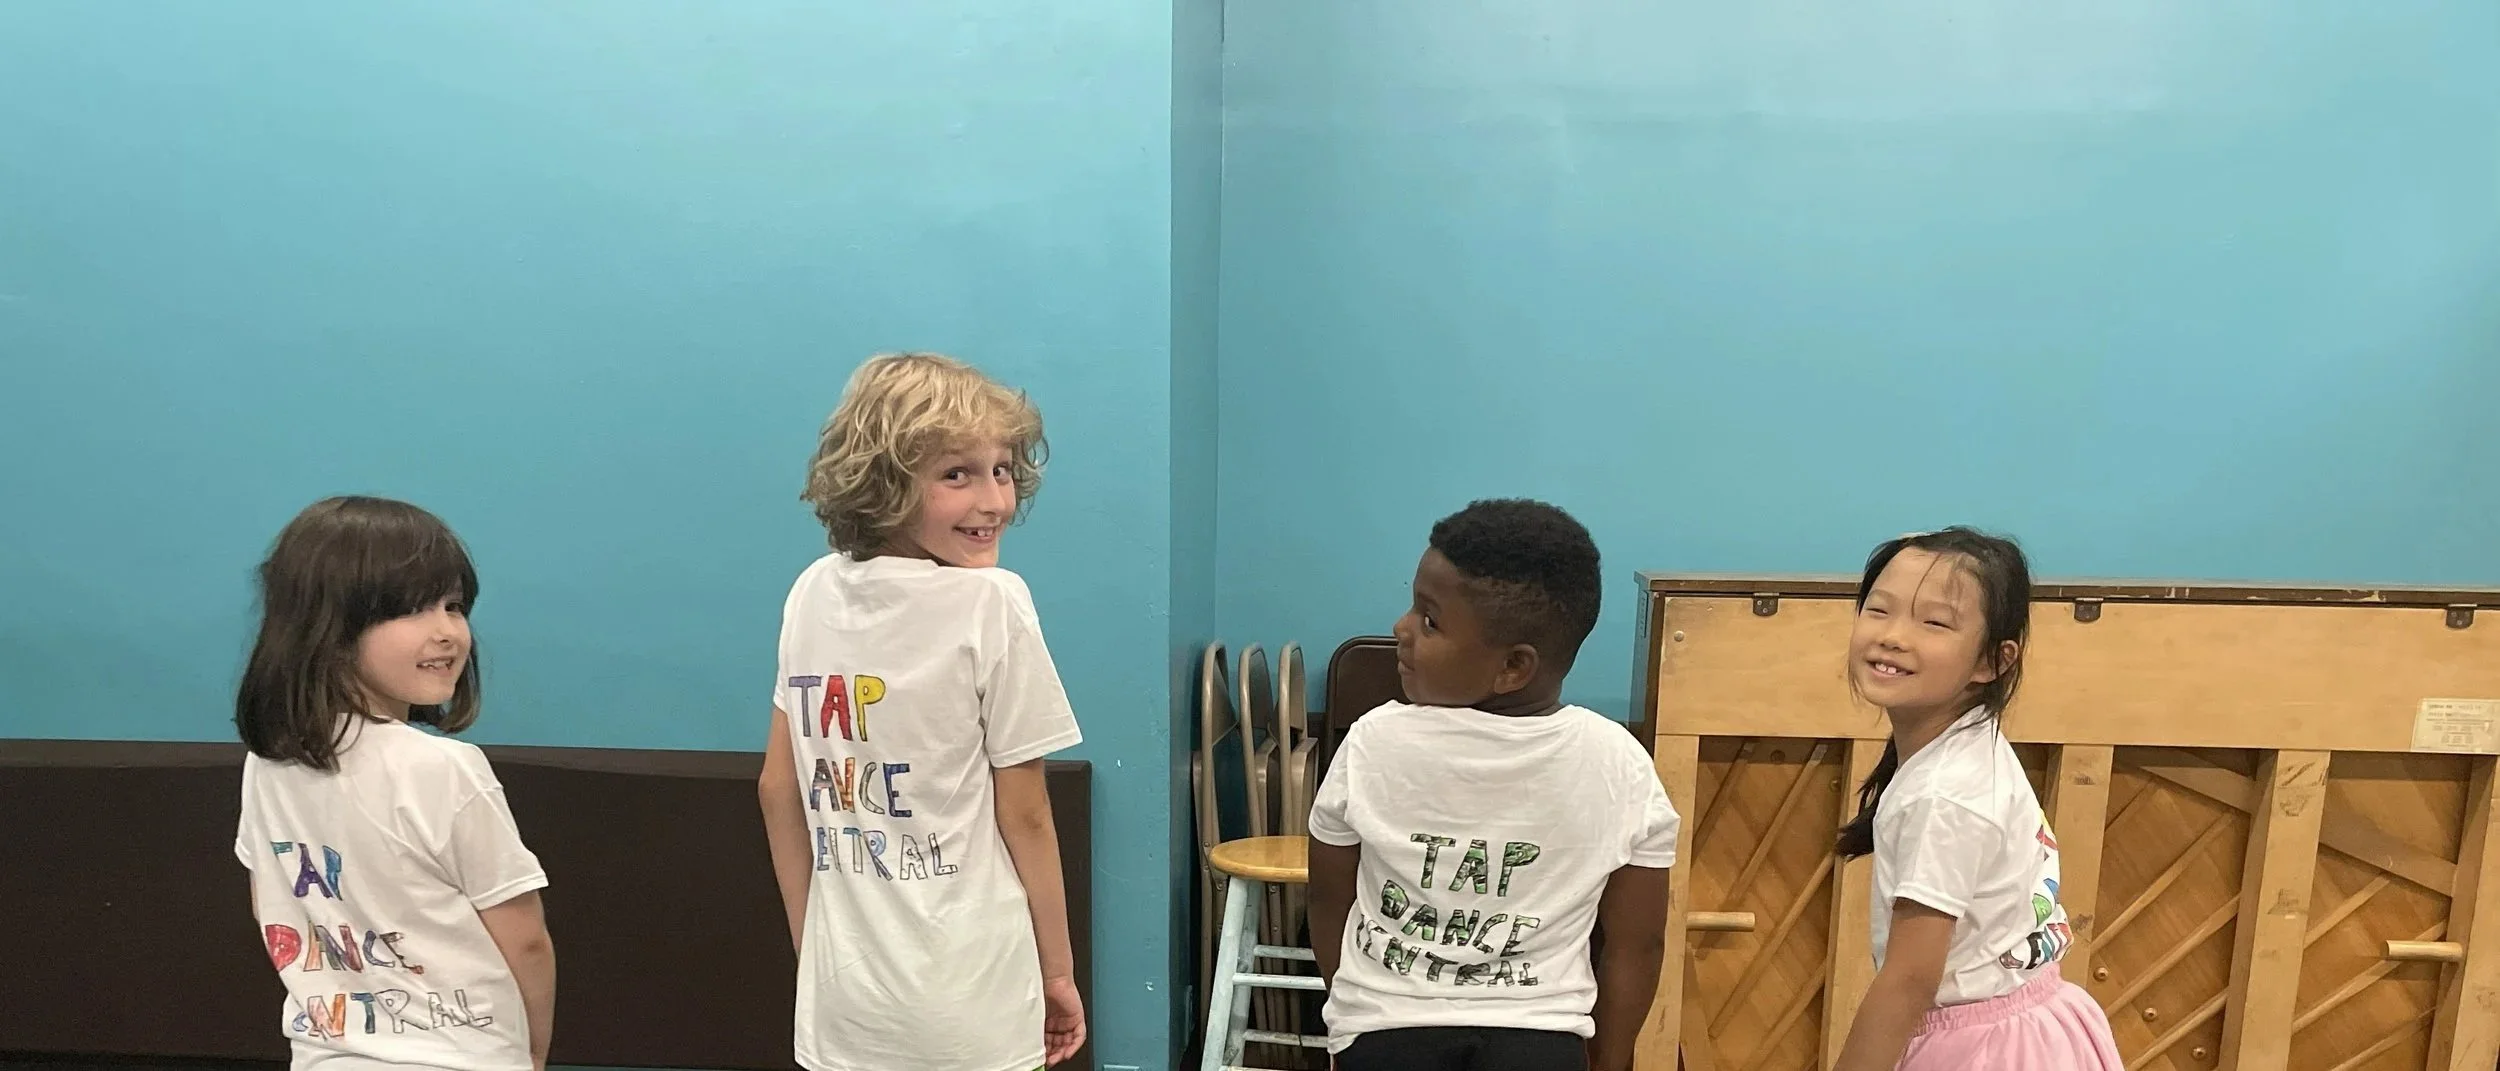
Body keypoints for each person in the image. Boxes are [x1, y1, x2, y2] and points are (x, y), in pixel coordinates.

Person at [758, 352, 1087, 1071]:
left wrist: (816, 952)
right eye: (956, 475)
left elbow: (778, 789)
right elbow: (1027, 813)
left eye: (1002, 470)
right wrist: (1058, 973)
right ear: (883, 484)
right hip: (972, 999)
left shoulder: (811, 591)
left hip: (844, 1006)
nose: (994, 501)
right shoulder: (993, 603)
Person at [1308, 498, 1679, 1071]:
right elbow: (1637, 945)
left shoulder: (1372, 742)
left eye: (1429, 620)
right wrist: (1610, 1064)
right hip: (1542, 1040)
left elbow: (1327, 900)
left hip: (1386, 1033)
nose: (1401, 628)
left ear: (1513, 667)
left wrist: (1349, 1022)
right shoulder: (1620, 763)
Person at [233, 495, 555, 1071]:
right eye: (409, 610)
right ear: (328, 629)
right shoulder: (446, 769)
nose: (447, 632)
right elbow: (524, 936)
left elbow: (273, 906)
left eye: (453, 606)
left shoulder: (268, 763)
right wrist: (532, 1050)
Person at [1830, 527, 2121, 1071]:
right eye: (1879, 610)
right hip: (2039, 1026)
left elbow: (1909, 979)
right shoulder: (1968, 744)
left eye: (1934, 623)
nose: (1893, 636)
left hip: (1981, 1049)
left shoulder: (1944, 794)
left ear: (1993, 661)